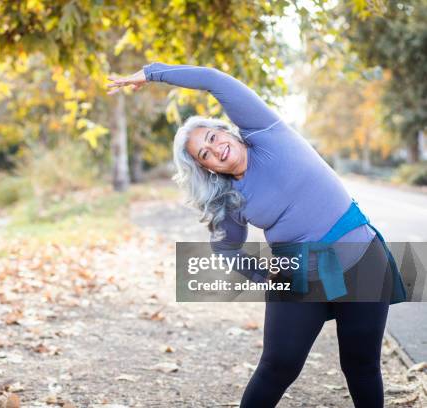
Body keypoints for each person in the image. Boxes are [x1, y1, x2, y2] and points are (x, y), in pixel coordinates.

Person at [107, 63, 406, 408]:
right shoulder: (229, 199)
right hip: (299, 277)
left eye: (213, 137)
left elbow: (213, 81)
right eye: (204, 154)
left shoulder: (267, 132)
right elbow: (225, 248)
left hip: (361, 260)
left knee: (360, 366)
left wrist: (151, 74)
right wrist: (261, 273)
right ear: (206, 168)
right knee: (277, 367)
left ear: (229, 131)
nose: (215, 149)